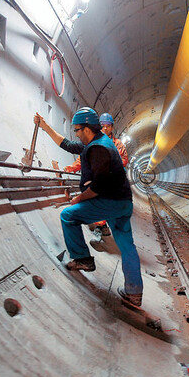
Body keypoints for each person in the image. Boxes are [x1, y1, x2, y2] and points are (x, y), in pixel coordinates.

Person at [34, 107, 143, 306]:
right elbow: (66, 144)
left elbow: (98, 187)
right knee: (127, 246)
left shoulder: (99, 149)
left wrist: (79, 199)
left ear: (86, 129)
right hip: (123, 202)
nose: (75, 133)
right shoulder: (97, 141)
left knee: (68, 215)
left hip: (110, 201)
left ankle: (83, 259)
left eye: (77, 130)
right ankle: (134, 293)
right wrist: (45, 126)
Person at [63, 113, 128, 237]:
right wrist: (72, 168)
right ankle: (101, 225)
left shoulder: (118, 144)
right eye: (102, 125)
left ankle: (101, 225)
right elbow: (83, 158)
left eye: (108, 126)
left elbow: (123, 160)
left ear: (112, 128)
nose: (105, 128)